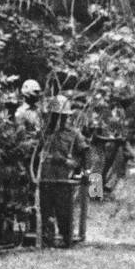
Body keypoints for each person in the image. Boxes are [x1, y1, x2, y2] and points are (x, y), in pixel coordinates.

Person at [38, 95, 89, 248]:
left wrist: (83, 170)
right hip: (46, 177)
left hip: (63, 178)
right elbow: (37, 152)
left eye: (60, 116)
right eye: (54, 116)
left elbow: (85, 152)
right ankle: (48, 238)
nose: (57, 119)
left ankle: (66, 238)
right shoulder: (44, 133)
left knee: (64, 211)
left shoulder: (73, 134)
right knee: (46, 210)